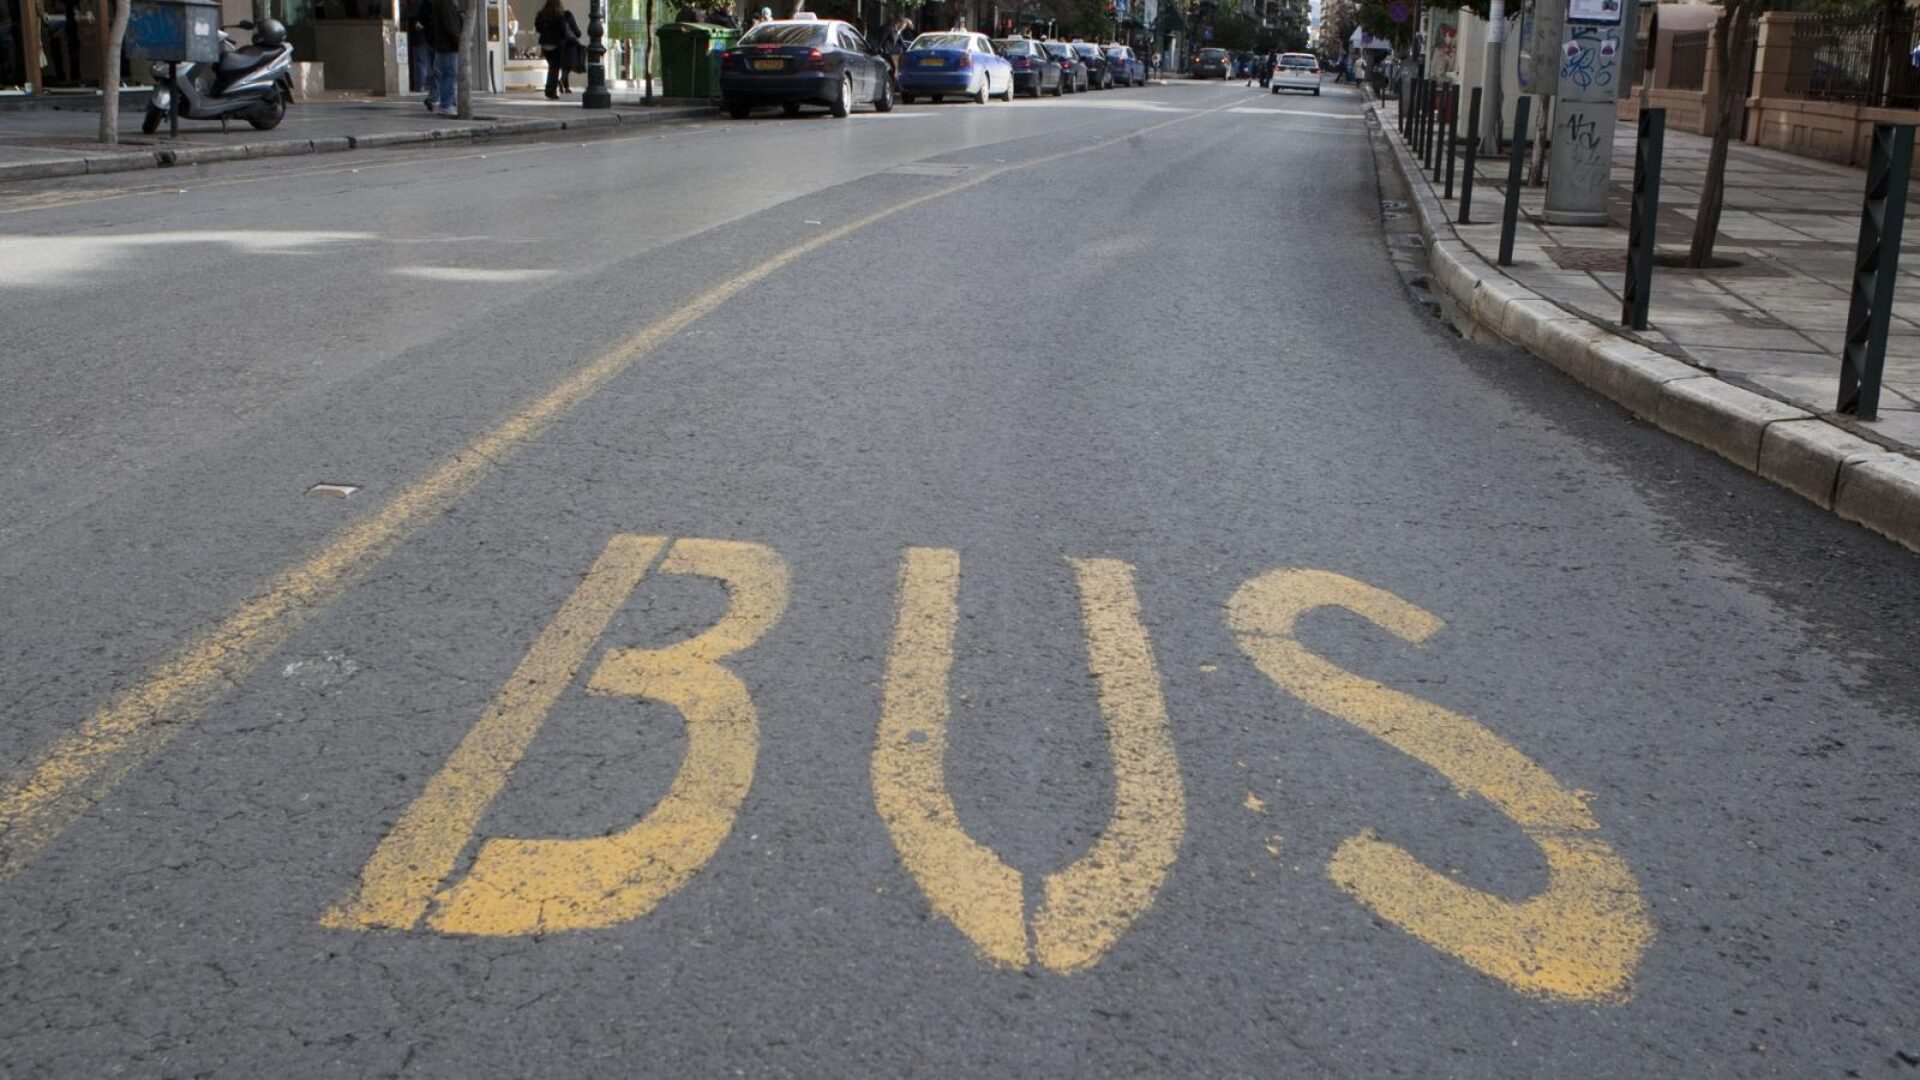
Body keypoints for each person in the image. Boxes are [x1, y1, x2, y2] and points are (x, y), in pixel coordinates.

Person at [419, 0, 464, 116]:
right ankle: (447, 104)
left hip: (443, 46)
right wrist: (460, 41)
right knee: (449, 75)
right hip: (448, 46)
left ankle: (445, 102)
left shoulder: (442, 4)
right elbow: (450, 26)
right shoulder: (446, 4)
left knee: (444, 75)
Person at [534, 0, 580, 98]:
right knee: (554, 69)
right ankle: (551, 91)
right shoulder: (559, 15)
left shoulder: (541, 15)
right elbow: (563, 30)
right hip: (556, 44)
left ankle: (549, 89)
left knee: (552, 67)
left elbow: (538, 28)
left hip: (544, 44)